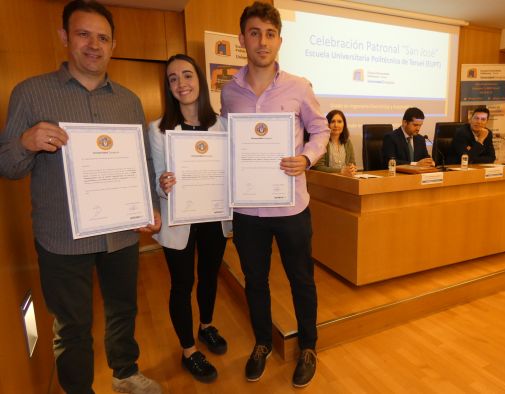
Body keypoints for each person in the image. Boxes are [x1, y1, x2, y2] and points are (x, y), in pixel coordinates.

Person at [0, 1, 162, 393]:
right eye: (83, 34)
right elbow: (8, 165)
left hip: (121, 232)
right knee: (71, 325)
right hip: (62, 236)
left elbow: (141, 160)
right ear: (64, 38)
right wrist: (26, 142)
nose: (94, 45)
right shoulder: (31, 93)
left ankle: (125, 373)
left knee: (123, 309)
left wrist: (151, 204)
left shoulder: (128, 101)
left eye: (103, 37)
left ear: (113, 44)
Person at [220, 1, 330, 388]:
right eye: (254, 33)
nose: (262, 42)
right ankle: (263, 343)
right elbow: (225, 144)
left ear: (279, 40)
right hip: (248, 211)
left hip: (292, 206)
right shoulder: (228, 92)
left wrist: (306, 157)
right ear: (242, 39)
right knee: (256, 281)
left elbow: (321, 130)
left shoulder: (299, 86)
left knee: (302, 279)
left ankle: (309, 346)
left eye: (269, 34)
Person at [148, 54, 228, 384]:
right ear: (168, 88)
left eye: (187, 75)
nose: (181, 84)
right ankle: (188, 350)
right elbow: (156, 178)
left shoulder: (221, 124)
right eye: (173, 79)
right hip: (180, 220)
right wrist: (163, 184)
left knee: (210, 276)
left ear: (199, 81)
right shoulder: (158, 128)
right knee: (182, 285)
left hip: (212, 215)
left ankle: (206, 326)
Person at [312, 110, 356, 176]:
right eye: (333, 122)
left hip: (346, 180)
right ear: (327, 124)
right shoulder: (322, 141)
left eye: (339, 122)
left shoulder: (347, 142)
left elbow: (352, 163)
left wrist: (352, 168)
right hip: (326, 180)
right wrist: (340, 171)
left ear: (344, 124)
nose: (336, 125)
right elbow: (318, 167)